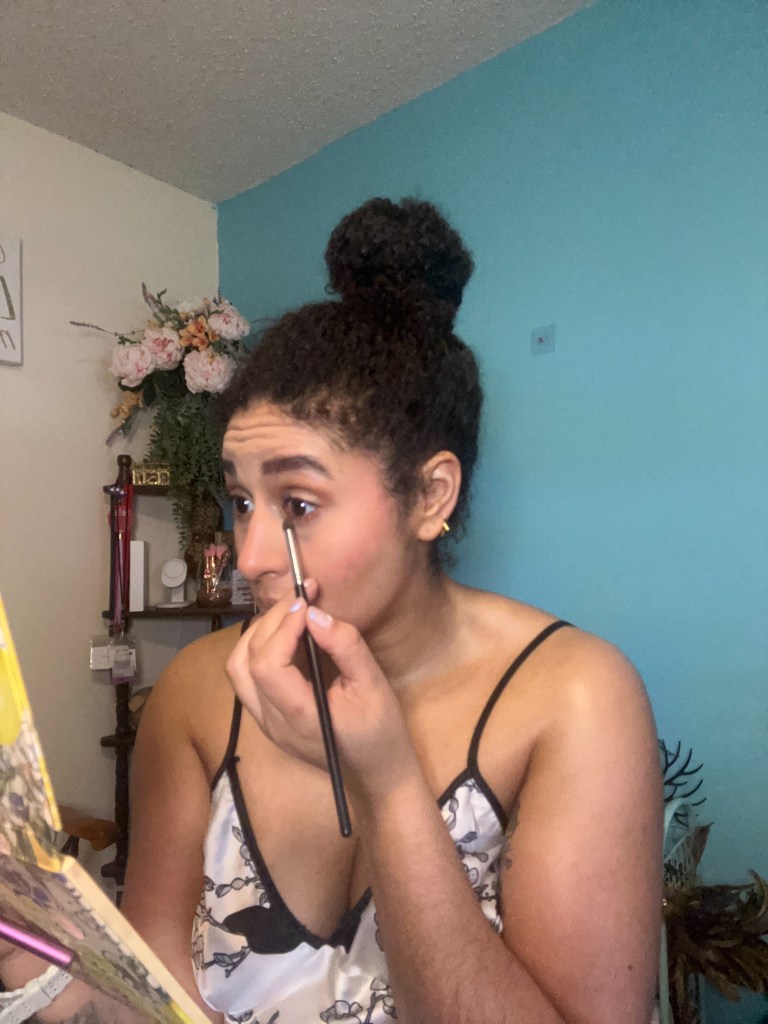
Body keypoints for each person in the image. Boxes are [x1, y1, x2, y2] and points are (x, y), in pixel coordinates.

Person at [0, 197, 663, 1024]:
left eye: (299, 504)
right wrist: (38, 958)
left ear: (431, 495)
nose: (250, 557)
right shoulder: (201, 692)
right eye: (243, 501)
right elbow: (156, 1003)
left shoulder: (575, 698)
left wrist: (387, 783)